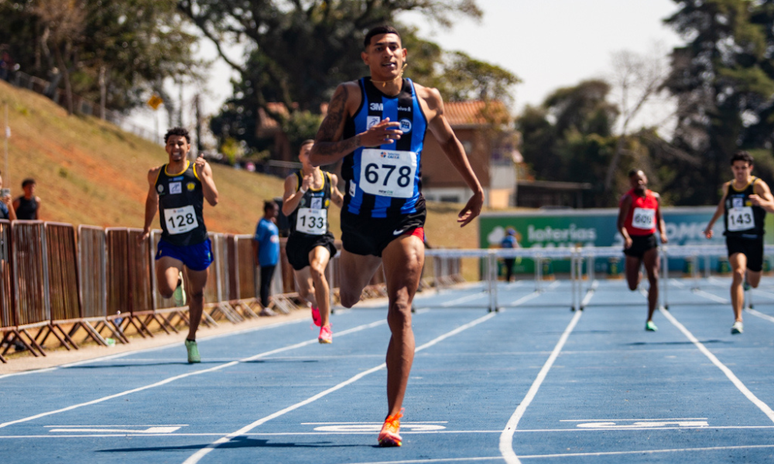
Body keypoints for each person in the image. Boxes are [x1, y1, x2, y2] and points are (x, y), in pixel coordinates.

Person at [308, 25, 484, 447]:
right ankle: (342, 277)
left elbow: (450, 141)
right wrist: (360, 141)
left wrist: (476, 188)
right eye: (378, 48)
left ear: (404, 54)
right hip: (357, 220)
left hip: (405, 218)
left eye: (393, 47)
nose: (387, 54)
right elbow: (316, 154)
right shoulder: (349, 95)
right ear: (365, 57)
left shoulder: (427, 98)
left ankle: (392, 417)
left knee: (400, 308)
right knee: (349, 296)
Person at [140, 127, 219, 363]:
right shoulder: (156, 174)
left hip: (196, 242)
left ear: (188, 147)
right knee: (165, 290)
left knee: (197, 294)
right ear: (166, 147)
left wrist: (204, 175)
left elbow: (214, 200)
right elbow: (152, 200)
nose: (176, 148)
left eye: (180, 144)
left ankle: (191, 339)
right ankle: (177, 282)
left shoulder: (198, 169)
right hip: (171, 242)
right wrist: (146, 227)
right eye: (171, 144)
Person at [282, 140, 344, 344]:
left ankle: (326, 327)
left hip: (321, 237)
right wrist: (302, 190)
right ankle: (317, 305)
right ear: (300, 158)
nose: (312, 156)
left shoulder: (330, 179)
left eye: (316, 152)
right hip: (299, 239)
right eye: (307, 153)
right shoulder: (293, 180)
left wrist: (354, 205)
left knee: (318, 270)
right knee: (304, 292)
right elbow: (286, 210)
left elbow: (337, 199)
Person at [705, 151, 772, 335]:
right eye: (737, 168)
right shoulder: (728, 187)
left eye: (743, 168)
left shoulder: (758, 185)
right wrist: (710, 225)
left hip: (755, 238)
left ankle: (749, 281)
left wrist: (761, 202)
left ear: (750, 168)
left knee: (755, 281)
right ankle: (738, 319)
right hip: (735, 238)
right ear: (732, 169)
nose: (740, 172)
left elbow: (773, 206)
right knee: (738, 272)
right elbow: (721, 207)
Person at [617, 169, 668, 331]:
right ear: (631, 183)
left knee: (654, 278)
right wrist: (626, 238)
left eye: (640, 179)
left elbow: (659, 219)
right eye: (634, 181)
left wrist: (663, 233)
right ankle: (637, 274)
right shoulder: (628, 199)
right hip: (633, 241)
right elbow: (620, 223)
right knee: (632, 286)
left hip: (649, 240)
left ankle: (650, 318)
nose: (638, 182)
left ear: (645, 179)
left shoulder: (655, 197)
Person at [253, 200, 280, 311]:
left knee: (269, 282)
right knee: (264, 282)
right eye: (274, 210)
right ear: (268, 210)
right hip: (265, 257)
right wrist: (256, 257)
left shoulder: (271, 223)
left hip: (273, 258)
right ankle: (264, 306)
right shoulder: (262, 224)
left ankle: (268, 303)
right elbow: (256, 241)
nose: (276, 213)